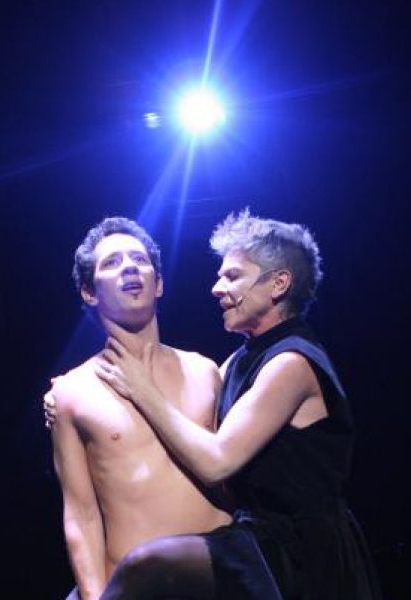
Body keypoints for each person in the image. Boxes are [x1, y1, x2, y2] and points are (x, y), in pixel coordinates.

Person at [90, 209, 382, 600]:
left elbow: (216, 462)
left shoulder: (292, 364)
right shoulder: (240, 360)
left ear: (279, 284)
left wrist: (141, 389)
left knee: (146, 566)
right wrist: (77, 391)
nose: (216, 288)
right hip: (258, 538)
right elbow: (184, 409)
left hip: (299, 554)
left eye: (232, 276)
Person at [45, 216, 282, 600]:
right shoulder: (72, 393)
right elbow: (81, 514)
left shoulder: (205, 371)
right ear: (89, 292)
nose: (129, 268)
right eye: (112, 262)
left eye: (139, 259)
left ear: (158, 283)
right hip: (138, 587)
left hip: (219, 576)